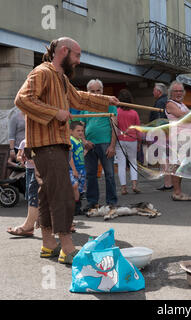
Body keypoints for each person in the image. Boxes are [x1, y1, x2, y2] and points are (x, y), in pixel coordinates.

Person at [14, 37, 120, 264]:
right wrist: (55, 112)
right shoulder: (42, 72)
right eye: (77, 55)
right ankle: (68, 247)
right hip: (47, 145)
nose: (79, 61)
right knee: (62, 194)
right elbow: (22, 99)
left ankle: (48, 244)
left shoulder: (60, 78)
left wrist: (105, 100)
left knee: (45, 195)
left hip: (54, 145)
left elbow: (79, 98)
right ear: (64, 51)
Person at [80, 79, 118, 212]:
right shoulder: (85, 107)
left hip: (105, 143)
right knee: (90, 174)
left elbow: (115, 127)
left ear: (102, 91)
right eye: (92, 91)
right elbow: (80, 127)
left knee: (109, 174)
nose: (96, 93)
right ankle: (92, 202)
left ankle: (111, 202)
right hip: (90, 145)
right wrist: (84, 141)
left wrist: (112, 146)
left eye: (98, 90)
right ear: (87, 92)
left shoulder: (110, 105)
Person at [165, 81, 191, 201]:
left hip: (184, 139)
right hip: (177, 139)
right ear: (171, 93)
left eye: (180, 91)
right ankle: (176, 192)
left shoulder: (182, 104)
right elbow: (181, 115)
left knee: (181, 166)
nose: (178, 93)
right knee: (176, 166)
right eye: (176, 91)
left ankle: (178, 191)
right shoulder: (170, 104)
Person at [6, 139, 38, 237]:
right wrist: (23, 158)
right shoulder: (24, 142)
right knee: (30, 195)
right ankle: (31, 224)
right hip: (29, 170)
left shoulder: (38, 141)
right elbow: (18, 156)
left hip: (38, 168)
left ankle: (30, 225)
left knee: (35, 196)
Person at [115, 89, 141, 195]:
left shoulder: (116, 112)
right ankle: (134, 185)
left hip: (120, 140)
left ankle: (123, 188)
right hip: (132, 139)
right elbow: (138, 129)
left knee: (121, 164)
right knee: (133, 162)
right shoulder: (134, 113)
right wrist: (139, 141)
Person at [152, 83, 173, 191]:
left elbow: (158, 120)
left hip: (162, 133)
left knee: (164, 158)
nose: (152, 92)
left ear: (159, 92)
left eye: (154, 90)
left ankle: (168, 183)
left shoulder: (160, 102)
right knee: (167, 158)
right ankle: (169, 182)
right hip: (168, 132)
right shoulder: (167, 101)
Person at [69, 121, 86, 216]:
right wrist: (74, 169)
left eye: (82, 130)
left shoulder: (79, 141)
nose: (80, 132)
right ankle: (74, 207)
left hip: (81, 168)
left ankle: (78, 207)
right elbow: (70, 157)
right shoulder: (71, 141)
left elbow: (80, 154)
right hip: (73, 169)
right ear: (71, 131)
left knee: (80, 189)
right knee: (74, 186)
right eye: (78, 130)